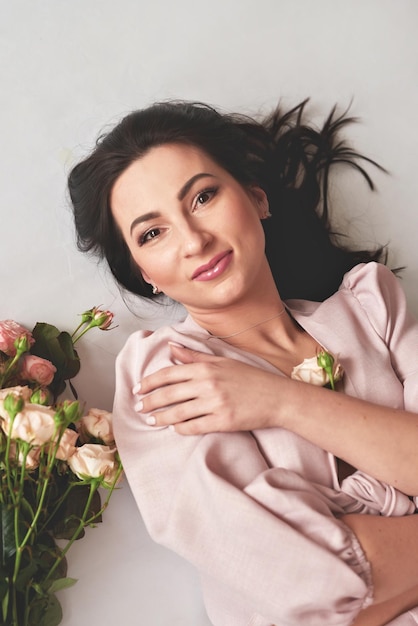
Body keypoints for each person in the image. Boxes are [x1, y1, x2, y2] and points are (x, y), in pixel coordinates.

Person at [68, 99, 418, 626]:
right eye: (152, 233)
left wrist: (280, 401)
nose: (193, 240)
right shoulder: (165, 374)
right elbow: (302, 584)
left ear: (256, 198)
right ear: (145, 274)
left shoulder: (373, 307)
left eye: (203, 197)